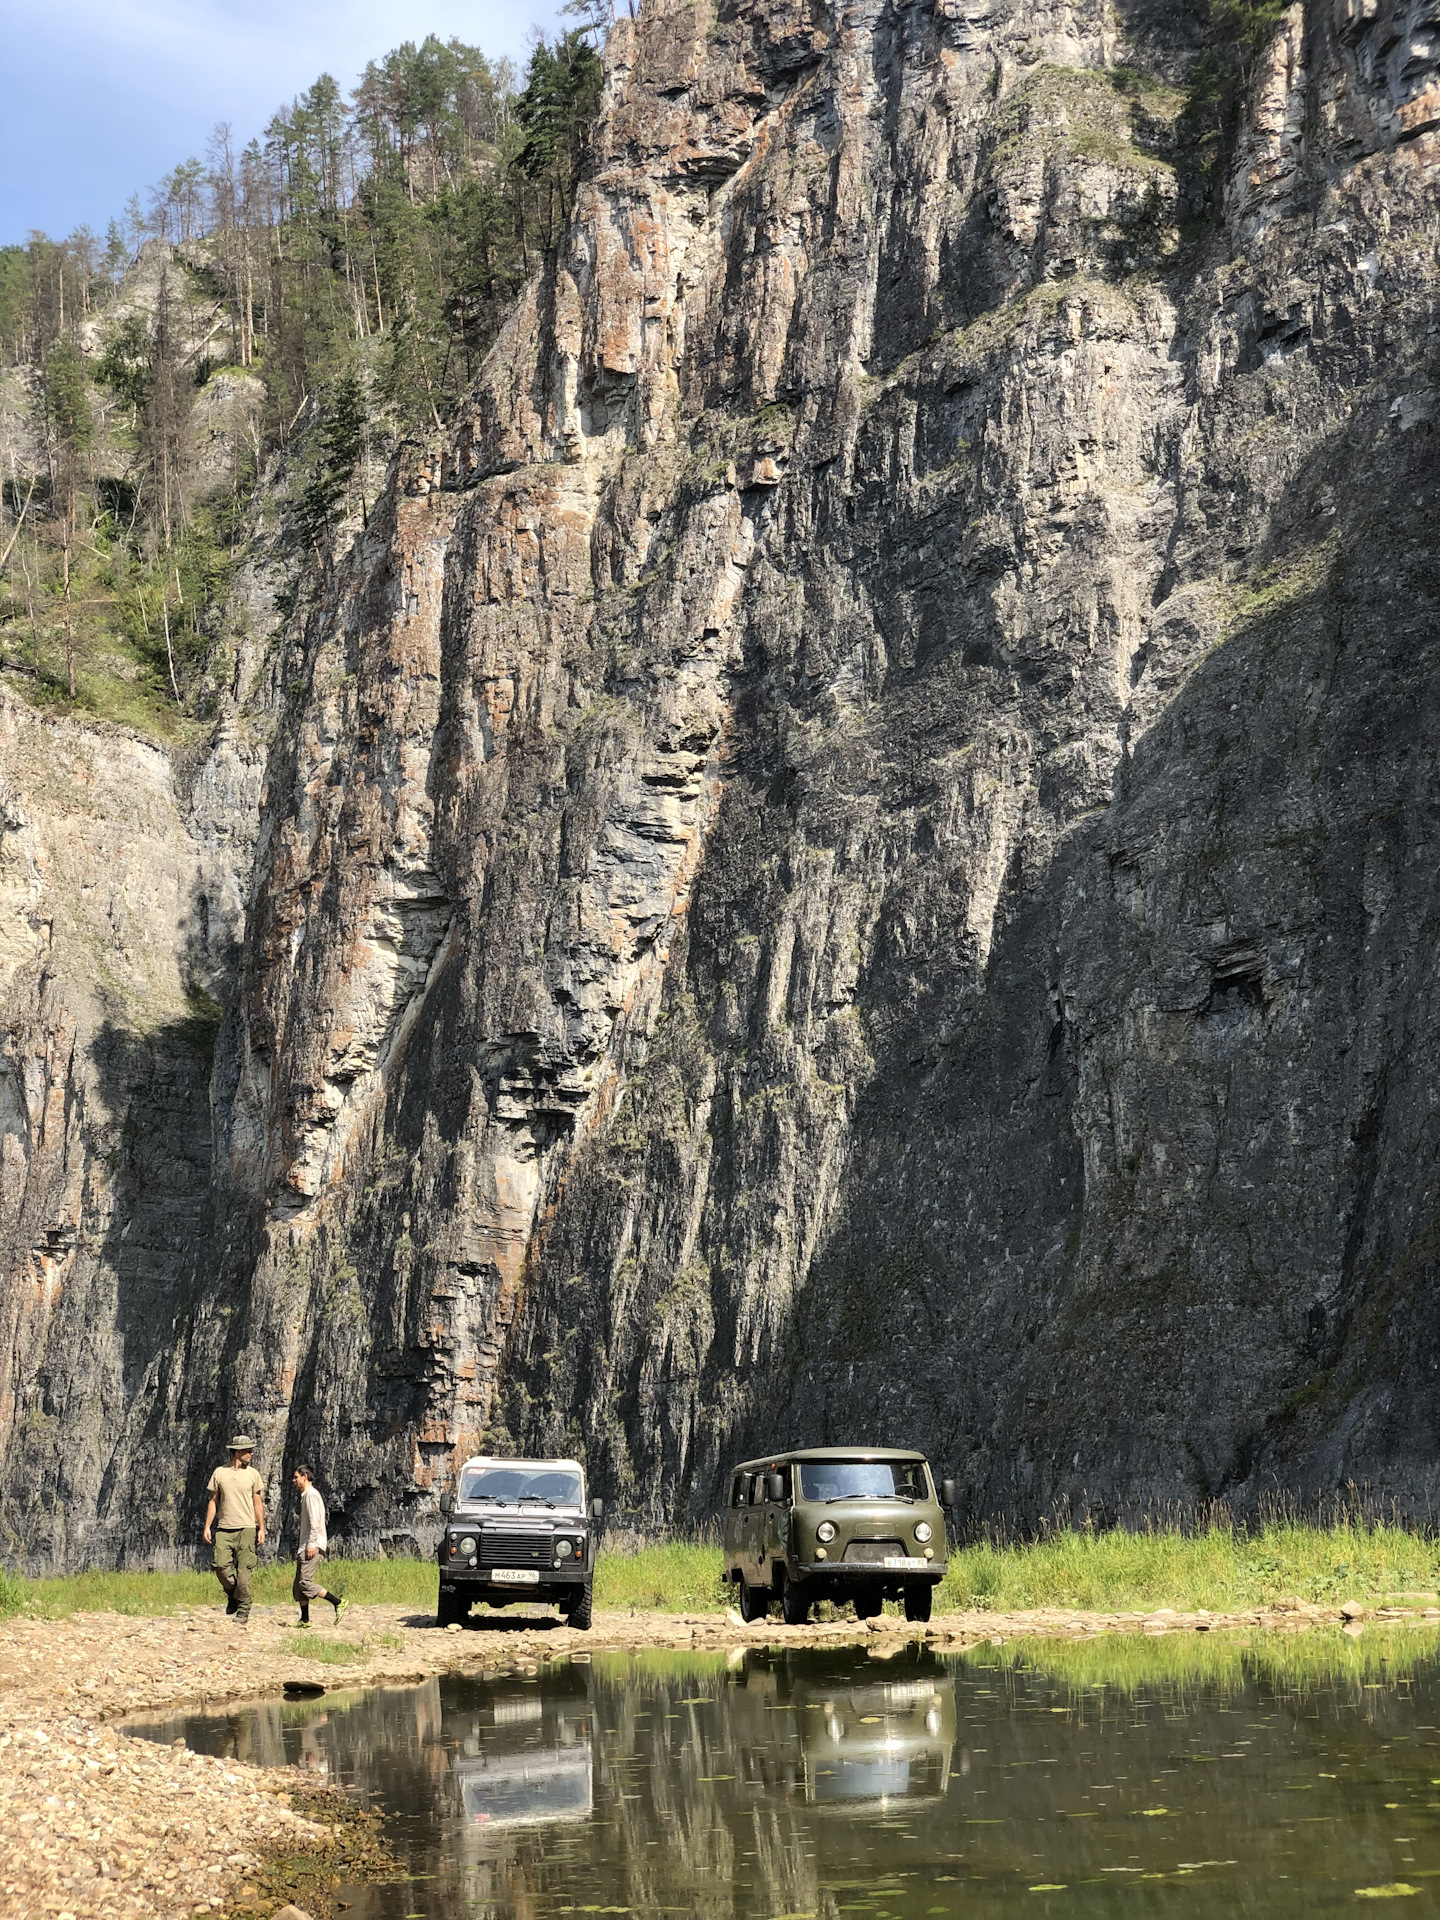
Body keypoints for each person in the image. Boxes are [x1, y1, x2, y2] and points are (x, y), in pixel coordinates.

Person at [203, 1435, 266, 1627]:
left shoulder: (253, 1475)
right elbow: (213, 1501)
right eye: (248, 1450)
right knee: (221, 1567)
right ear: (237, 1452)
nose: (251, 1453)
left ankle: (244, 1609)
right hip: (224, 1528)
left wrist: (261, 1527)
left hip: (247, 1528)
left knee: (244, 1574)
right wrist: (207, 1526)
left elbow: (257, 1502)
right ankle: (233, 1595)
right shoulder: (220, 1473)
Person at [291, 1464, 347, 1629]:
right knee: (298, 1587)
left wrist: (312, 1545)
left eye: (296, 1477)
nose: (294, 1480)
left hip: (312, 1545)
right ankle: (305, 1619)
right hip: (305, 1545)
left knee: (305, 1582)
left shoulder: (311, 1495)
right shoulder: (306, 1495)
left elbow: (315, 1522)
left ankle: (337, 1602)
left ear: (305, 1477)